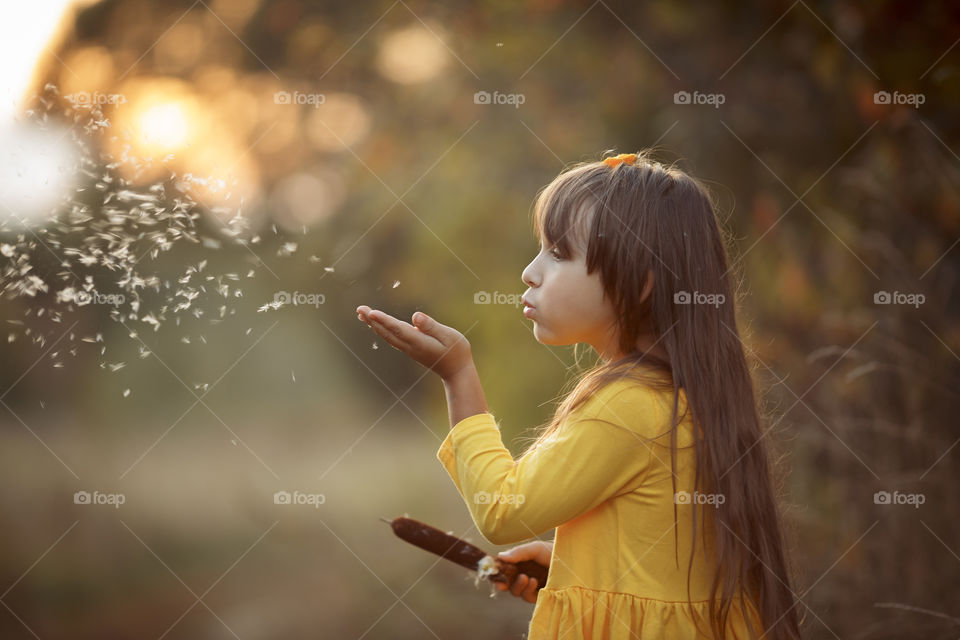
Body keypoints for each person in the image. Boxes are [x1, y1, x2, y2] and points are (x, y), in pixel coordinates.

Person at [356, 150, 801, 639]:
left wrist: (459, 377)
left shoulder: (626, 407)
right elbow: (669, 561)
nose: (530, 272)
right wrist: (574, 563)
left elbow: (501, 510)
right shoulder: (690, 399)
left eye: (559, 253)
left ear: (641, 283)